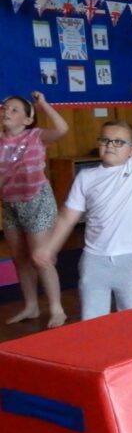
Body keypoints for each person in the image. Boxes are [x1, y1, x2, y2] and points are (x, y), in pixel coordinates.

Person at [32, 84, 132, 320]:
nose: (110, 145)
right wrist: (50, 247)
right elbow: (67, 217)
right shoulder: (86, 177)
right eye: (105, 140)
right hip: (94, 261)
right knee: (93, 323)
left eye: (118, 142)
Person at [0, 92, 69, 328]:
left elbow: (61, 129)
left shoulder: (35, 136)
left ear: (28, 120)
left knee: (41, 257)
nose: (7, 112)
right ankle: (31, 306)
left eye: (14, 109)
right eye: (5, 108)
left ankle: (57, 309)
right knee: (19, 258)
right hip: (11, 203)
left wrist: (44, 105)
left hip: (37, 201)